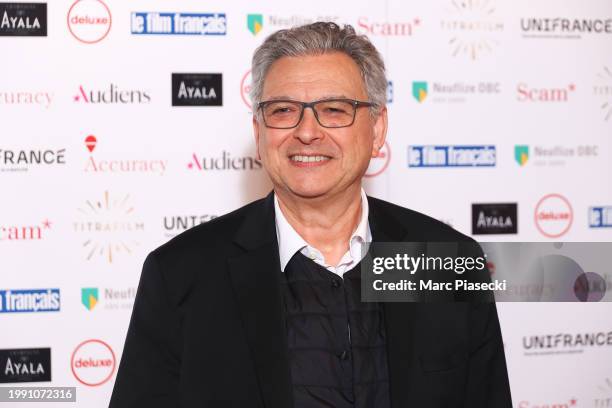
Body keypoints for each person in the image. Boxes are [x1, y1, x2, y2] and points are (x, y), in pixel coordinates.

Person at [109, 22, 512, 408]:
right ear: (259, 131)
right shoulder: (182, 275)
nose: (307, 131)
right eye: (283, 110)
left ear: (377, 130)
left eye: (335, 109)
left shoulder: (444, 261)